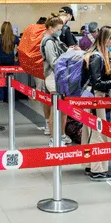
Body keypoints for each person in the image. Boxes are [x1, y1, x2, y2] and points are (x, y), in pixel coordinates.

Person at [81, 26, 111, 181]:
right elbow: (97, 83)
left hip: (90, 97)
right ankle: (98, 169)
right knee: (98, 132)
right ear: (106, 39)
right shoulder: (97, 57)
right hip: (96, 98)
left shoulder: (93, 54)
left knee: (90, 131)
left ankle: (91, 165)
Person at [41, 15, 72, 146]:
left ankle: (62, 135)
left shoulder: (55, 40)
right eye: (58, 29)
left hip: (58, 77)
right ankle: (54, 139)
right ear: (50, 28)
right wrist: (67, 59)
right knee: (55, 109)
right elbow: (53, 62)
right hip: (53, 77)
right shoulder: (48, 42)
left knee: (63, 109)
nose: (60, 31)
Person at [0, 22, 20, 102]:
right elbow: (21, 47)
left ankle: (0, 97)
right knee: (10, 79)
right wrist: (17, 55)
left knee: (1, 79)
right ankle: (10, 96)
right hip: (10, 60)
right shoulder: (15, 38)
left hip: (0, 61)